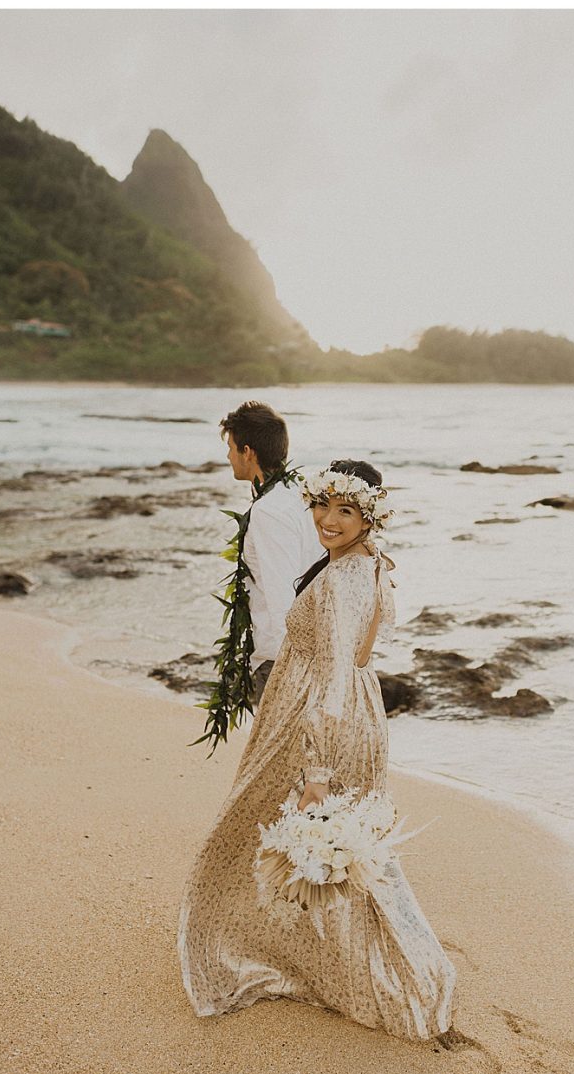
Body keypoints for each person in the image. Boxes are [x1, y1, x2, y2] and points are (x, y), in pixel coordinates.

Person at [178, 460, 456, 1041]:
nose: (328, 519)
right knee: (337, 858)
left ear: (368, 516)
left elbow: (333, 672)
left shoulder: (348, 577)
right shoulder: (366, 562)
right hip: (346, 709)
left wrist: (317, 772)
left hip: (321, 720)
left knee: (298, 844)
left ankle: (381, 981)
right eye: (322, 505)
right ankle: (342, 962)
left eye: (345, 510)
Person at [220, 401, 323, 704]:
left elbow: (283, 595)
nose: (228, 456)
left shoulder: (269, 511)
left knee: (274, 751)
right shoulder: (303, 494)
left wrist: (290, 673)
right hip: (311, 652)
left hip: (283, 661)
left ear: (248, 452)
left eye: (231, 447)